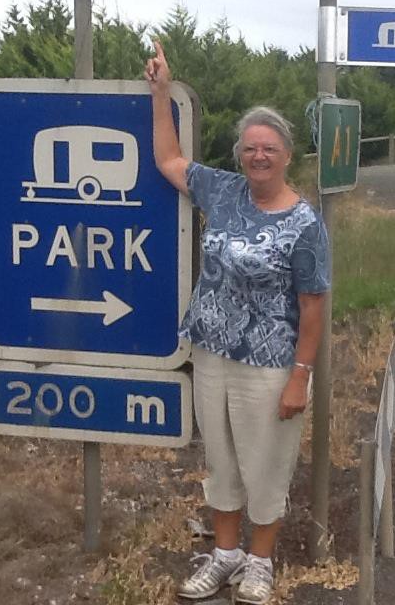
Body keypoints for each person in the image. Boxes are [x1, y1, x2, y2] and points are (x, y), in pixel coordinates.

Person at [145, 41, 330, 604]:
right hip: (211, 354)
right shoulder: (223, 192)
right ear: (240, 155)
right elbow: (169, 161)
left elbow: (314, 305)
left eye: (268, 148)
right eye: (250, 148)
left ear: (287, 155)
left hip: (270, 365)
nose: (258, 156)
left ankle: (261, 562)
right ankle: (225, 555)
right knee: (221, 461)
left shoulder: (305, 223)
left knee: (265, 465)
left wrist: (300, 376)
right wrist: (161, 94)